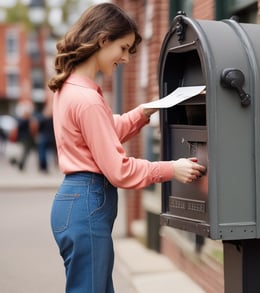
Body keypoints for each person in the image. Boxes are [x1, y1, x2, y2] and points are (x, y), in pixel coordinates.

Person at [47, 3, 206, 293]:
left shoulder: (71, 88)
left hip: (74, 202)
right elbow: (119, 170)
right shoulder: (88, 100)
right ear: (103, 39)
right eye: (123, 48)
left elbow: (99, 136)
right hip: (86, 203)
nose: (126, 58)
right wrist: (171, 168)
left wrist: (143, 112)